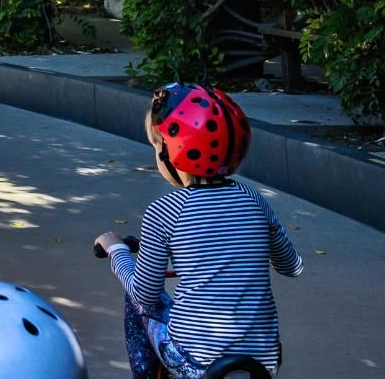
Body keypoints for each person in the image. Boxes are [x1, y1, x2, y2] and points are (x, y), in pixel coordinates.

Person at [97, 84, 302, 379]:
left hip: (195, 364)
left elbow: (146, 294)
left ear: (171, 150)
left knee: (136, 301)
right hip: (263, 363)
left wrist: (116, 250)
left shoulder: (165, 210)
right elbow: (292, 266)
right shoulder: (254, 199)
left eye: (156, 146)